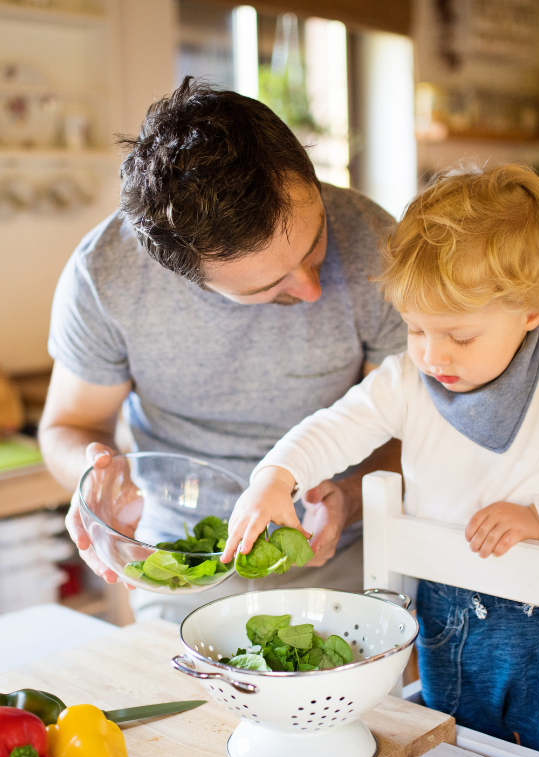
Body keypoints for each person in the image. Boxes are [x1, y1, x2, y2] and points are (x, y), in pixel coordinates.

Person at [220, 163, 539, 757]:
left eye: (459, 336)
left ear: (528, 310)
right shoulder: (406, 380)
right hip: (450, 614)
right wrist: (277, 475)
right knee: (458, 753)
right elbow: (336, 427)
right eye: (416, 328)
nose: (432, 353)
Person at [38, 78, 405, 623]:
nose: (311, 290)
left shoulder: (377, 243)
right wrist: (96, 479)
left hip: (345, 553)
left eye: (315, 243)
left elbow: (412, 422)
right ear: (184, 275)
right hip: (182, 562)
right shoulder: (106, 274)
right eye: (267, 288)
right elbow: (69, 424)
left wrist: (350, 496)